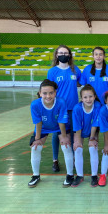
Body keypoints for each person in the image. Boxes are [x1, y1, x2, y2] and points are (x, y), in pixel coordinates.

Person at [28, 79, 72, 188]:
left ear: (55, 93)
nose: (48, 96)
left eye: (51, 93)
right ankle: (35, 175)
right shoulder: (35, 105)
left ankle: (70, 175)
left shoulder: (61, 102)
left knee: (66, 146)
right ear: (40, 93)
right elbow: (38, 123)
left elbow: (61, 121)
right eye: (45, 93)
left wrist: (64, 137)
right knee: (35, 147)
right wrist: (37, 139)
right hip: (43, 128)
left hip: (59, 126)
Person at [47, 45, 81, 173]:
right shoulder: (53, 71)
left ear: (69, 55)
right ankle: (55, 160)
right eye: (61, 53)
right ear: (56, 55)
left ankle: (72, 158)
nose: (63, 55)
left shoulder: (74, 70)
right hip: (58, 108)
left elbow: (80, 82)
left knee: (72, 133)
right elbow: (49, 90)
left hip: (72, 108)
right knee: (57, 134)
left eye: (66, 53)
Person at [71, 85, 102, 187]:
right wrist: (78, 141)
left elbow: (95, 124)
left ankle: (94, 176)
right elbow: (77, 127)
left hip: (93, 130)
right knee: (78, 148)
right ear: (81, 98)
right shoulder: (77, 108)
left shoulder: (98, 106)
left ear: (94, 96)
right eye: (85, 97)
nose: (88, 99)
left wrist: (92, 138)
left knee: (93, 148)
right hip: (80, 131)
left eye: (90, 96)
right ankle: (79, 175)